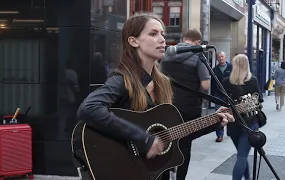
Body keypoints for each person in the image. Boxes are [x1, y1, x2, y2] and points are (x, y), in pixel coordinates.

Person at [77, 13, 234, 180]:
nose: (162, 39)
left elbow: (173, 135)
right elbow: (89, 108)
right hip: (127, 170)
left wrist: (215, 121)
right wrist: (144, 138)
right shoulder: (121, 80)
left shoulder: (163, 83)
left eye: (162, 34)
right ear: (133, 41)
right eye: (153, 34)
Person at [161, 28, 234, 180]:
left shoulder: (168, 54)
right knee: (184, 147)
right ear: (198, 42)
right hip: (189, 109)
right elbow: (206, 85)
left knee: (166, 145)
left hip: (166, 107)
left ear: (184, 38)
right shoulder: (198, 57)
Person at [221, 54, 264, 180]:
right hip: (250, 123)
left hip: (233, 123)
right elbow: (259, 99)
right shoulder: (253, 80)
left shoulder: (226, 82)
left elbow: (224, 102)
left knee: (241, 154)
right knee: (242, 156)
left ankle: (248, 178)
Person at [212, 51, 232, 142]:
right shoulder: (214, 70)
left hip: (230, 94)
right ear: (217, 59)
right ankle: (219, 135)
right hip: (218, 95)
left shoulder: (231, 68)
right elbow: (212, 83)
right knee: (219, 115)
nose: (221, 58)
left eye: (222, 56)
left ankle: (230, 131)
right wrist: (212, 95)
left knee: (231, 113)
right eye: (219, 57)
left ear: (225, 57)